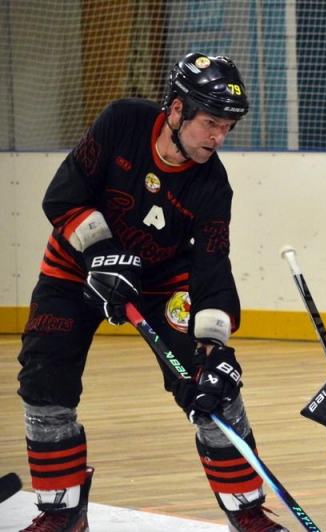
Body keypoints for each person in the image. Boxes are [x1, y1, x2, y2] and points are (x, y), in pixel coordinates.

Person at [16, 52, 287, 532]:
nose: (218, 137)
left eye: (226, 127)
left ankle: (247, 513)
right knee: (44, 380)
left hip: (160, 284)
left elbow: (211, 270)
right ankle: (62, 513)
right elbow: (62, 195)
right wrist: (101, 253)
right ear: (177, 109)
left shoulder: (212, 186)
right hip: (73, 269)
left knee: (213, 388)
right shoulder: (123, 122)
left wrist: (214, 348)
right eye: (210, 123)